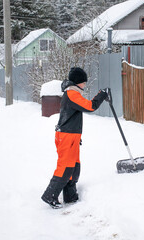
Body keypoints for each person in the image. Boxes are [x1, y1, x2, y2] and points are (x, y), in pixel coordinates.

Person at [41, 67, 108, 209]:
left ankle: (70, 196)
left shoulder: (72, 93)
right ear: (77, 82)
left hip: (72, 136)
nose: (84, 85)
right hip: (67, 137)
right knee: (65, 167)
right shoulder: (72, 94)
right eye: (83, 82)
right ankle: (50, 195)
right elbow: (90, 106)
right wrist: (102, 95)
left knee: (74, 167)